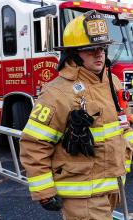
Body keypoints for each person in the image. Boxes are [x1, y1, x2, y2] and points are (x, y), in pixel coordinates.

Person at [20, 10, 133, 220]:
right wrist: (44, 191)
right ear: (73, 53)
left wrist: (126, 156)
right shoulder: (57, 93)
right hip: (83, 194)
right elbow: (34, 144)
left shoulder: (112, 82)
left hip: (112, 186)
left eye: (102, 48)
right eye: (90, 49)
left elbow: (123, 124)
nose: (99, 53)